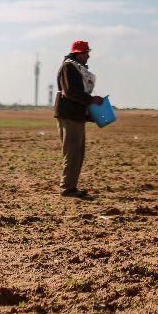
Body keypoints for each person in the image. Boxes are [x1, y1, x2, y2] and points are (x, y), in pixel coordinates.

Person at [54, 40, 104, 198]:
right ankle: (68, 189)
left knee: (77, 152)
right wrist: (91, 100)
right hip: (70, 115)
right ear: (78, 53)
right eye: (86, 53)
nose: (88, 56)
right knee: (73, 151)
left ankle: (70, 187)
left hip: (75, 115)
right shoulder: (69, 67)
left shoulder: (74, 67)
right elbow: (70, 92)